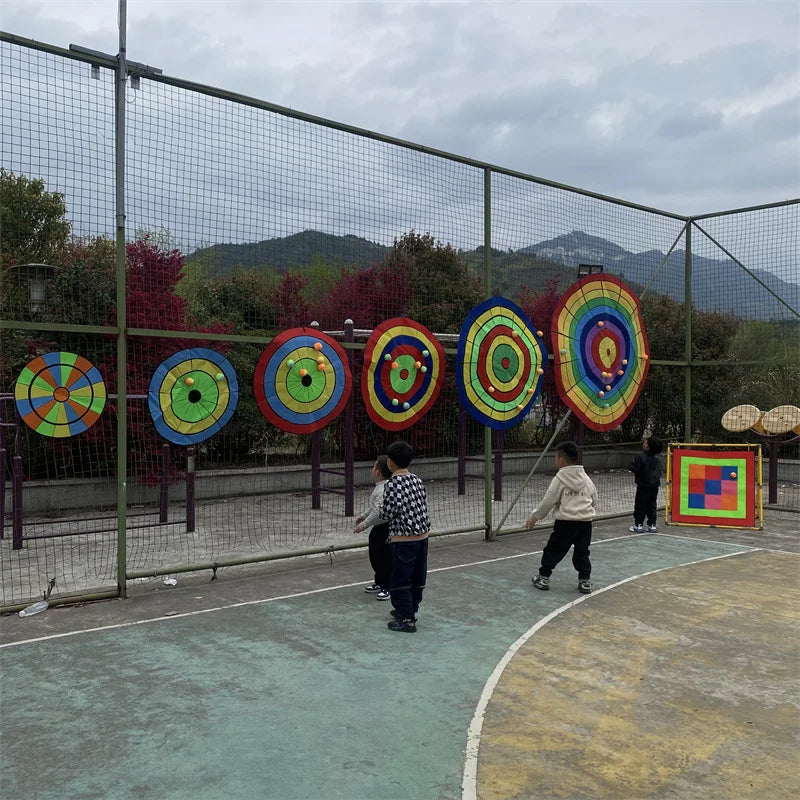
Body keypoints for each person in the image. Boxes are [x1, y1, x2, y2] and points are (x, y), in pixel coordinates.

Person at [525, 440, 597, 594]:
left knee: (554, 549)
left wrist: (534, 517)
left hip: (565, 523)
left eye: (556, 457)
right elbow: (594, 497)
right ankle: (585, 580)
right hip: (585, 523)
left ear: (562, 460)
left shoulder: (559, 479)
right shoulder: (585, 478)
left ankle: (543, 577)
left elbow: (548, 501)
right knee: (582, 552)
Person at [380, 440, 430, 633]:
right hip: (422, 536)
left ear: (390, 463)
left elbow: (388, 512)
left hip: (404, 538)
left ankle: (406, 618)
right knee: (418, 575)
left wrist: (380, 513)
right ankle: (411, 609)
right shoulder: (417, 480)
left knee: (401, 577)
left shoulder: (392, 484)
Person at [354, 455, 393, 601]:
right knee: (375, 556)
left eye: (374, 466)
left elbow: (378, 511)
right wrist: (363, 515)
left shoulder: (384, 488)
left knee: (383, 557)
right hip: (378, 528)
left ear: (378, 471)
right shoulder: (380, 487)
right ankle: (380, 582)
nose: (372, 469)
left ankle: (387, 586)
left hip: (385, 527)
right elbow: (374, 507)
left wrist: (363, 525)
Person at [628, 436, 663, 533]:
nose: (644, 443)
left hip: (643, 486)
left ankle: (638, 524)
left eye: (646, 442)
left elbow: (634, 468)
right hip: (654, 486)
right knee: (652, 505)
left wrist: (632, 465)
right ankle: (652, 524)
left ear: (648, 446)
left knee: (640, 505)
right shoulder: (657, 460)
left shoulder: (641, 457)